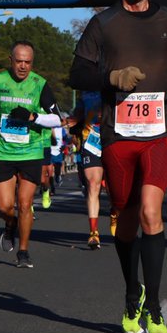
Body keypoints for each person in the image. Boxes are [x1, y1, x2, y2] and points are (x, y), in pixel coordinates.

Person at [69, 0, 167, 333]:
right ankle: (132, 292)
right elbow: (77, 74)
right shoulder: (103, 24)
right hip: (118, 134)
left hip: (160, 132)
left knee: (150, 212)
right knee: (124, 218)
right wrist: (111, 78)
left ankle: (155, 308)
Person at [0, 41, 63, 269]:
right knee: (4, 207)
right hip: (3, 150)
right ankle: (11, 224)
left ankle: (23, 251)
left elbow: (57, 119)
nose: (24, 66)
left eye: (28, 62)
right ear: (11, 60)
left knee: (25, 203)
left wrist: (33, 118)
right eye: (19, 61)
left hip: (31, 151)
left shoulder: (40, 84)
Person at [68, 91, 106, 249]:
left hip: (115, 140)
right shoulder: (86, 94)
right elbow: (74, 118)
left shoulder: (118, 84)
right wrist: (73, 122)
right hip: (92, 142)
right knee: (93, 184)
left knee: (117, 189)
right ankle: (93, 232)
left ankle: (115, 213)